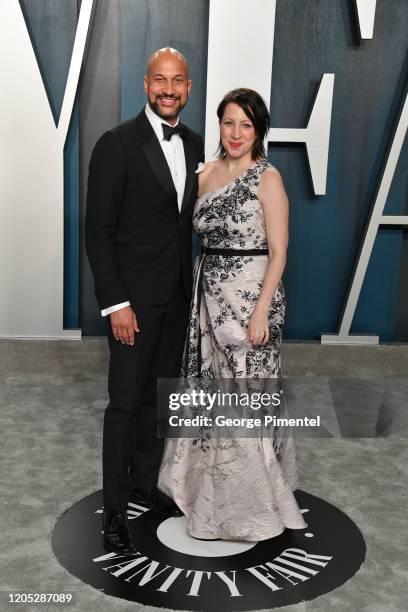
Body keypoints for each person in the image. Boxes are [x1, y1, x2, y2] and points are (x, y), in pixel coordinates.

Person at [158, 88, 307, 541]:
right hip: (207, 298)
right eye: (228, 123)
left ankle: (252, 509)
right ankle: (212, 499)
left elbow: (279, 253)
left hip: (251, 300)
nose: (236, 133)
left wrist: (261, 312)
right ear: (219, 125)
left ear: (259, 129)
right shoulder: (204, 175)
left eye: (246, 124)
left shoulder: (268, 178)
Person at [85, 48, 204, 554]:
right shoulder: (116, 144)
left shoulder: (197, 144)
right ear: (145, 83)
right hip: (133, 303)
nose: (169, 89)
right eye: (160, 80)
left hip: (177, 300)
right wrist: (117, 304)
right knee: (124, 406)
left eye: (177, 81)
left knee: (159, 403)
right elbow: (98, 231)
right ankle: (114, 514)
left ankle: (145, 483)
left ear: (189, 87)